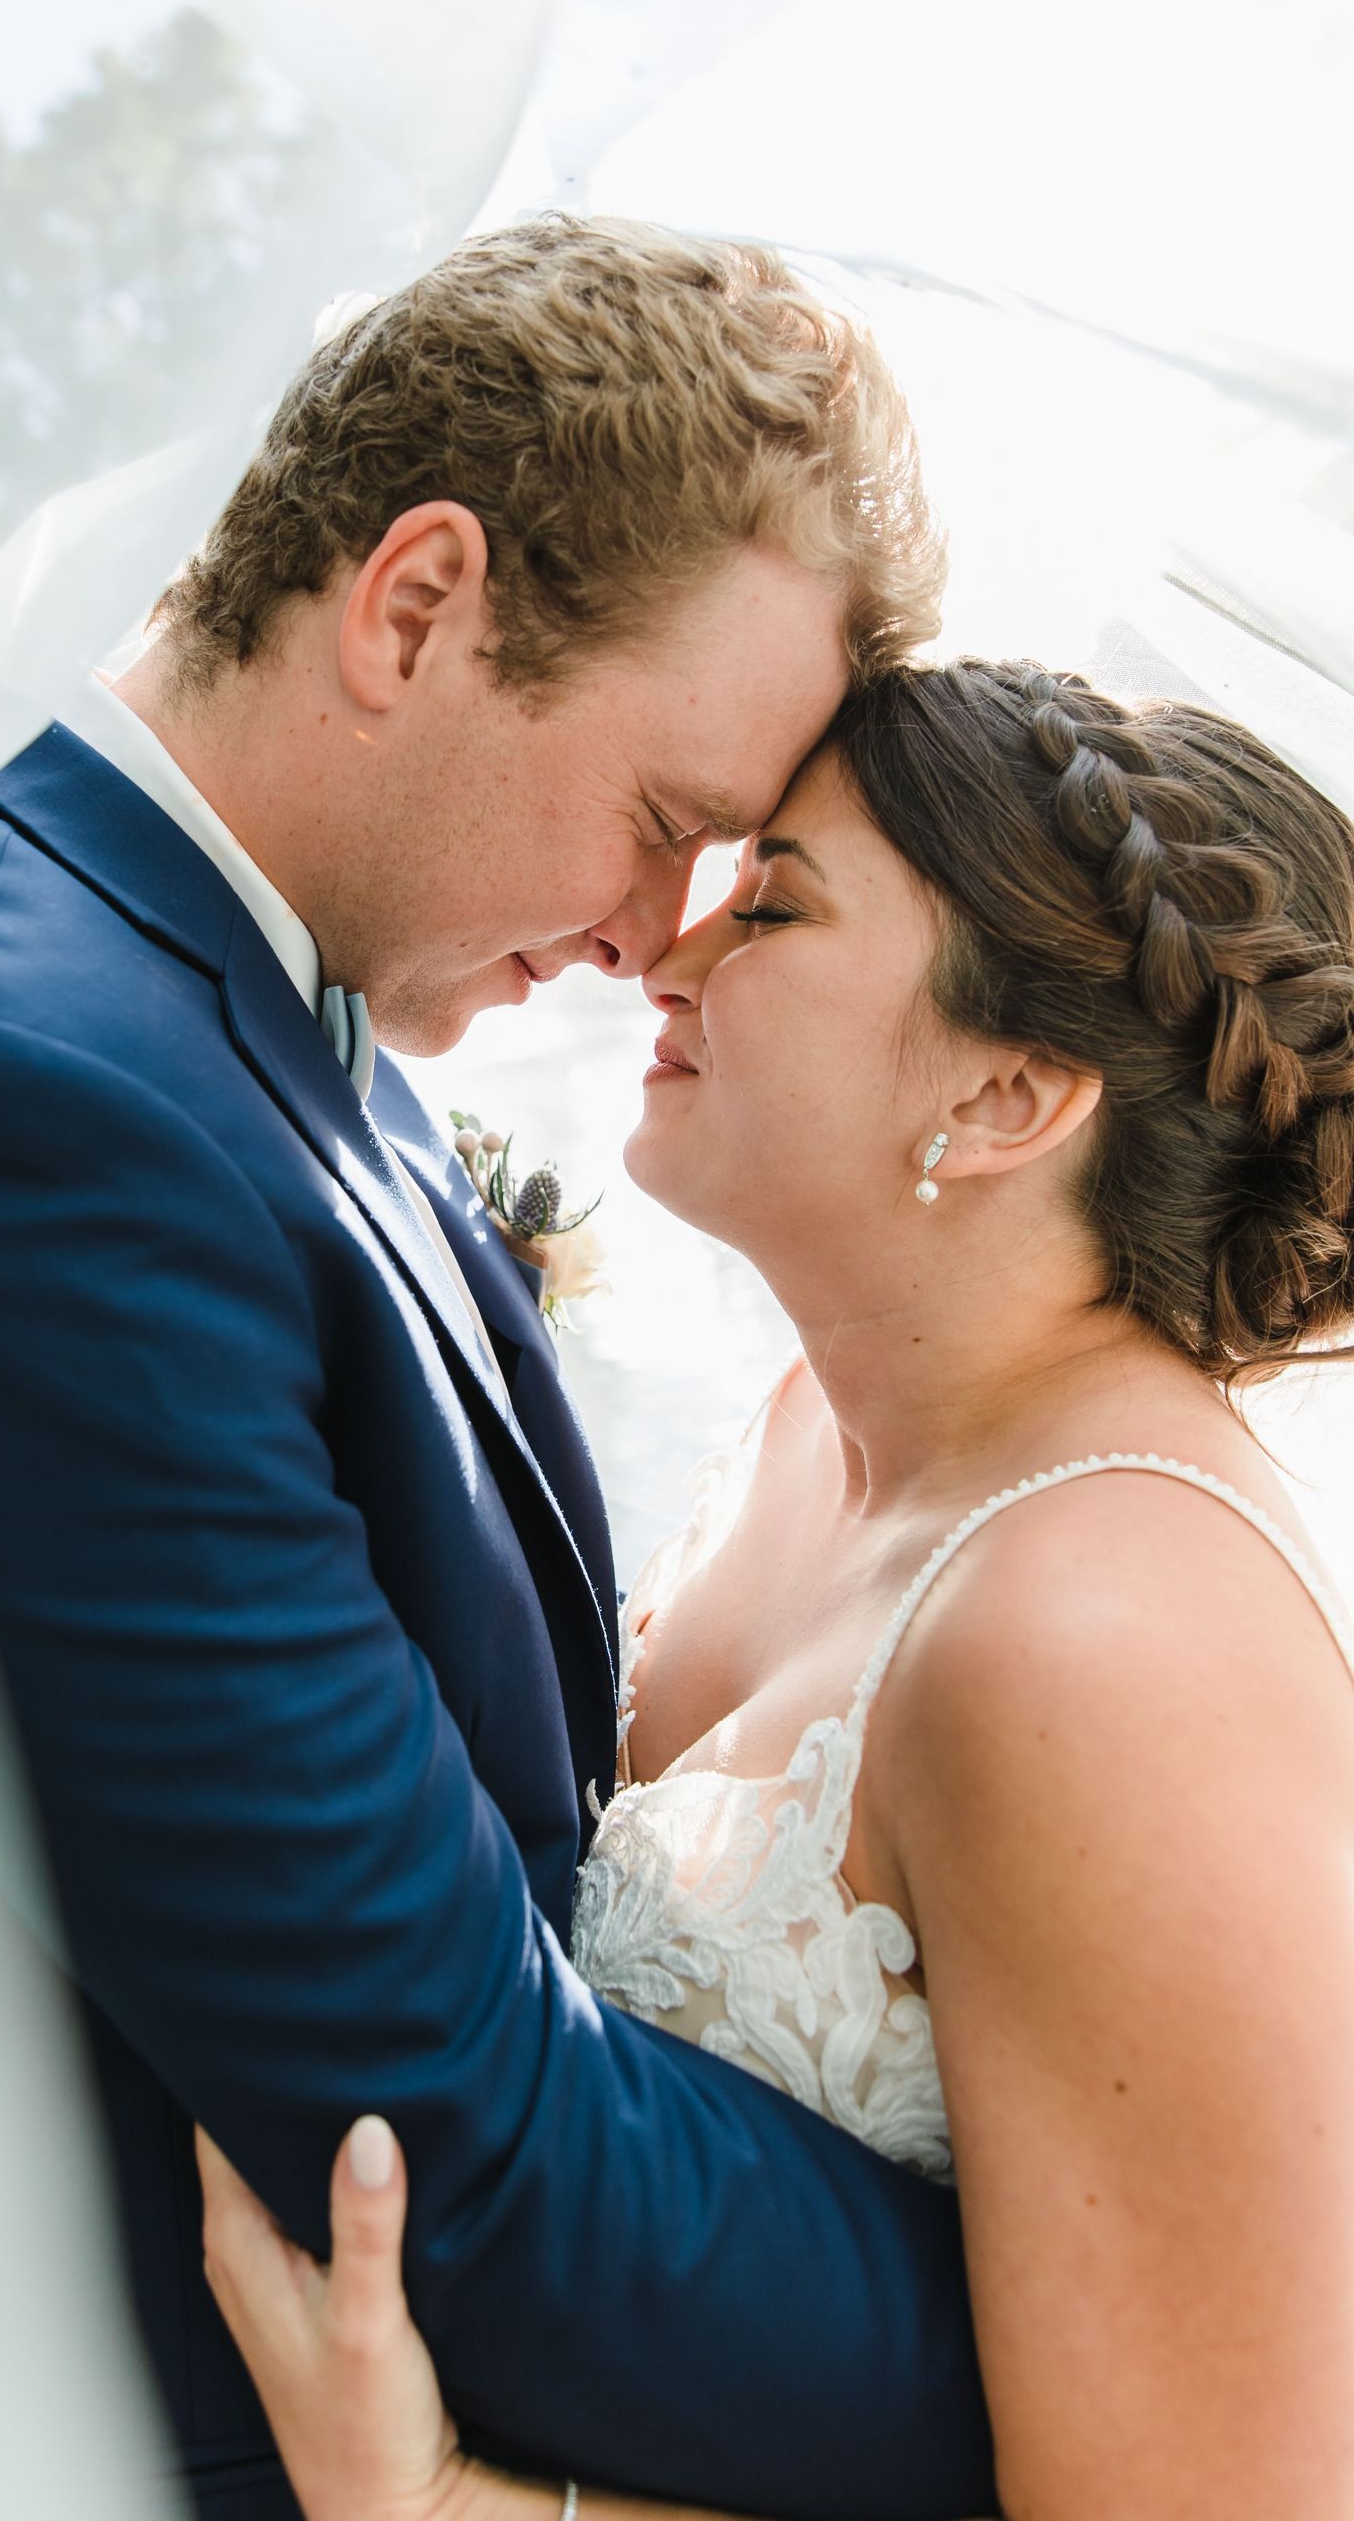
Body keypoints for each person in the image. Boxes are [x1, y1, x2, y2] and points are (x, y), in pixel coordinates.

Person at [0, 217, 997, 2521]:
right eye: (664, 822)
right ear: (417, 604)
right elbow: (455, 2135)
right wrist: (1127, 2334)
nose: (660, 938)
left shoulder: (227, 1016)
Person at [197, 657, 1354, 2521]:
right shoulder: (826, 1421)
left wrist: (457, 2512)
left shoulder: (1111, 1647)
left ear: (1004, 1094)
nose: (669, 950)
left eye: (781, 902)